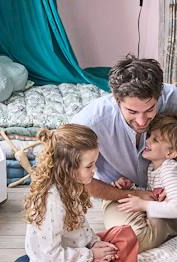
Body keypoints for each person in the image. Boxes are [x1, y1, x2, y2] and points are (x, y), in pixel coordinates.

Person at [24, 124, 142, 262]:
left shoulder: (73, 184)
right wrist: (91, 255)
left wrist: (94, 244)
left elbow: (80, 226)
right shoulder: (51, 202)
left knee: (126, 234)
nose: (94, 170)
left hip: (77, 250)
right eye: (89, 166)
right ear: (68, 168)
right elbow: (51, 255)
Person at [71, 55, 177, 251]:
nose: (142, 121)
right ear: (116, 99)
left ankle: (168, 215)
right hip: (121, 195)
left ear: (159, 95)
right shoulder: (89, 122)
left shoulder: (171, 97)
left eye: (150, 109)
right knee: (132, 238)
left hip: (171, 188)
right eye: (132, 112)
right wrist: (132, 192)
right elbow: (76, 178)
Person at [116, 115, 177, 232]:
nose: (147, 141)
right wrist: (130, 187)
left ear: (170, 153)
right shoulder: (152, 168)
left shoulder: (169, 169)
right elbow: (153, 194)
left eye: (155, 140)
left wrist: (143, 205)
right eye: (149, 136)